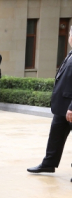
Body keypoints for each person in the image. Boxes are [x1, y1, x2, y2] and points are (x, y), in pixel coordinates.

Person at [27, 27, 72, 180]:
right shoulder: (70, 54)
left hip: (70, 107)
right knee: (55, 136)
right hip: (62, 107)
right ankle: (49, 163)